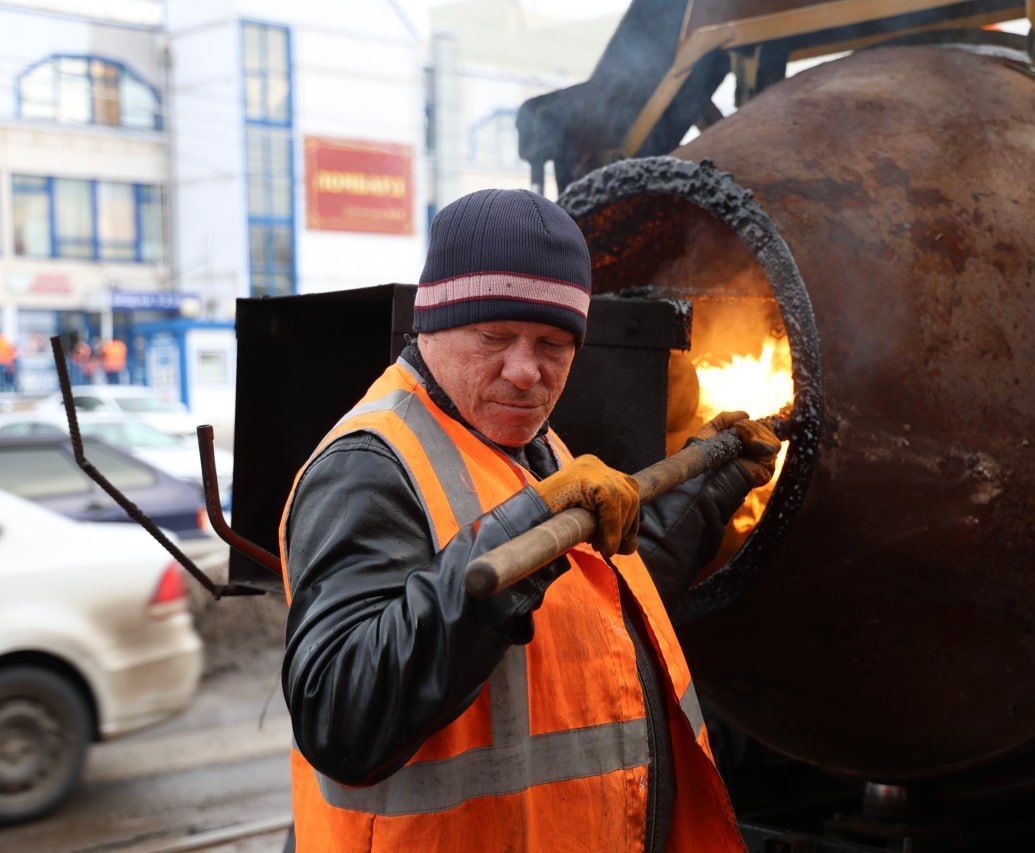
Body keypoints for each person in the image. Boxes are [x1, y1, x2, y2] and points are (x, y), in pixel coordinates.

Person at [280, 189, 782, 851]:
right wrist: (527, 524)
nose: (525, 371)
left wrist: (710, 483)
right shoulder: (369, 465)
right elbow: (341, 717)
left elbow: (591, 608)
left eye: (553, 344)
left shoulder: (529, 444)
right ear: (428, 324)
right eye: (493, 337)